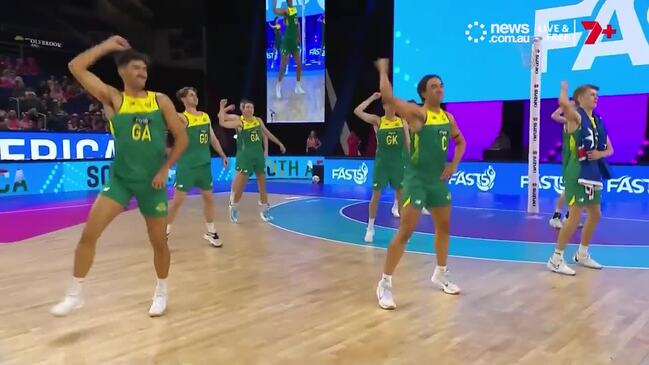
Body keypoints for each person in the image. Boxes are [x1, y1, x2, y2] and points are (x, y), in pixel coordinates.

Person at [50, 36, 188, 317]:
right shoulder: (114, 98)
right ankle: (75, 294)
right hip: (121, 180)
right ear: (122, 71)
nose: (142, 73)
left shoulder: (159, 100)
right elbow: (76, 67)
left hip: (153, 183)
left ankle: (161, 291)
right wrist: (105, 47)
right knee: (89, 234)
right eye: (136, 68)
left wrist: (165, 169)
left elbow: (182, 138)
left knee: (159, 241)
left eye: (145, 69)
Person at [374, 58, 466, 310]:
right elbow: (389, 98)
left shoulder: (448, 117)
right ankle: (385, 283)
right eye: (434, 86)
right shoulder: (418, 114)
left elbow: (461, 143)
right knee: (405, 231)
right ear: (424, 92)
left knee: (444, 227)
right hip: (415, 181)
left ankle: (441, 273)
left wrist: (453, 165)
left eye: (441, 85)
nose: (439, 89)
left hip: (437, 181)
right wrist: (383, 71)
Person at [547, 82, 613, 275]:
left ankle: (582, 253)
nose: (596, 97)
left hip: (593, 173)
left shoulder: (597, 121)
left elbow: (610, 149)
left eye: (597, 95)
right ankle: (556, 258)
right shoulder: (575, 117)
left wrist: (600, 155)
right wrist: (564, 89)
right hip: (576, 172)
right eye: (592, 94)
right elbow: (563, 103)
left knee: (595, 214)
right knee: (574, 217)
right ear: (581, 98)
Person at [166, 87, 229, 247]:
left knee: (209, 199)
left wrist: (222, 154)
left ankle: (211, 232)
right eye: (191, 95)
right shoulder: (182, 117)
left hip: (204, 166)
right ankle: (164, 232)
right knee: (177, 202)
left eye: (195, 94)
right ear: (184, 100)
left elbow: (212, 139)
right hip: (187, 166)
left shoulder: (205, 116)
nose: (195, 97)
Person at [218, 99, 286, 223]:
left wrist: (279, 143)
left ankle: (264, 208)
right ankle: (233, 206)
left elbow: (267, 134)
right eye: (247, 107)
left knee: (262, 184)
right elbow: (222, 121)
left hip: (258, 155)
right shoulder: (239, 122)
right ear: (243, 109)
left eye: (251, 107)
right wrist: (223, 107)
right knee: (241, 186)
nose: (249, 109)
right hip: (245, 156)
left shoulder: (258, 121)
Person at [354, 91, 409, 239]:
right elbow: (357, 111)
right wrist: (372, 97)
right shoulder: (378, 121)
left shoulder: (402, 121)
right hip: (382, 164)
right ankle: (370, 228)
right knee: (376, 195)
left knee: (401, 196)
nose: (392, 107)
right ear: (384, 106)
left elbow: (407, 143)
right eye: (389, 104)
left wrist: (410, 162)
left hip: (398, 163)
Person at [548, 102, 583, 229]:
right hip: (572, 160)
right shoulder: (570, 121)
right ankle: (555, 217)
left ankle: (569, 217)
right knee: (568, 189)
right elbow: (554, 116)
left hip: (582, 160)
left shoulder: (582, 122)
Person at [273, 0, 305, 98]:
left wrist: (299, 38)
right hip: (286, 42)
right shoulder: (286, 10)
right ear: (287, 1)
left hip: (294, 42)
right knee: (283, 66)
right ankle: (278, 87)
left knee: (299, 65)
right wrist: (274, 2)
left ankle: (298, 87)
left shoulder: (295, 10)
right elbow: (275, 11)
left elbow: (297, 25)